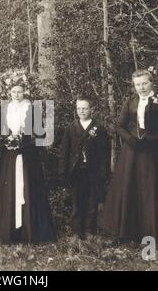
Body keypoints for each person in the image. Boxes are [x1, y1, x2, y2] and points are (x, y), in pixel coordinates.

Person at [100, 69, 158, 243]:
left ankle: (154, 233)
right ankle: (128, 232)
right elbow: (119, 126)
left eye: (145, 83)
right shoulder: (130, 101)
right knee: (129, 187)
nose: (141, 87)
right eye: (138, 84)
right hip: (131, 153)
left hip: (151, 152)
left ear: (151, 83)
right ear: (134, 86)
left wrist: (151, 139)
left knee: (151, 189)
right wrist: (130, 140)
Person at [0, 72, 57, 244]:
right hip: (9, 155)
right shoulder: (5, 108)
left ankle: (29, 231)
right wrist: (7, 139)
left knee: (27, 187)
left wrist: (25, 141)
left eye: (19, 91)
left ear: (25, 91)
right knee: (9, 188)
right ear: (9, 92)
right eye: (13, 92)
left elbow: (40, 133)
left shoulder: (32, 108)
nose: (16, 95)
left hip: (27, 154)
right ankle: (8, 231)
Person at [58, 95, 110, 238]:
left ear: (91, 109)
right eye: (79, 108)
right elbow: (64, 152)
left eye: (85, 108)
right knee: (76, 202)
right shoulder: (71, 128)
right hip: (76, 172)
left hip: (93, 172)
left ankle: (89, 231)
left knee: (92, 202)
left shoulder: (99, 128)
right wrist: (63, 172)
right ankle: (76, 231)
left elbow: (104, 153)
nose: (81, 111)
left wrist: (104, 172)